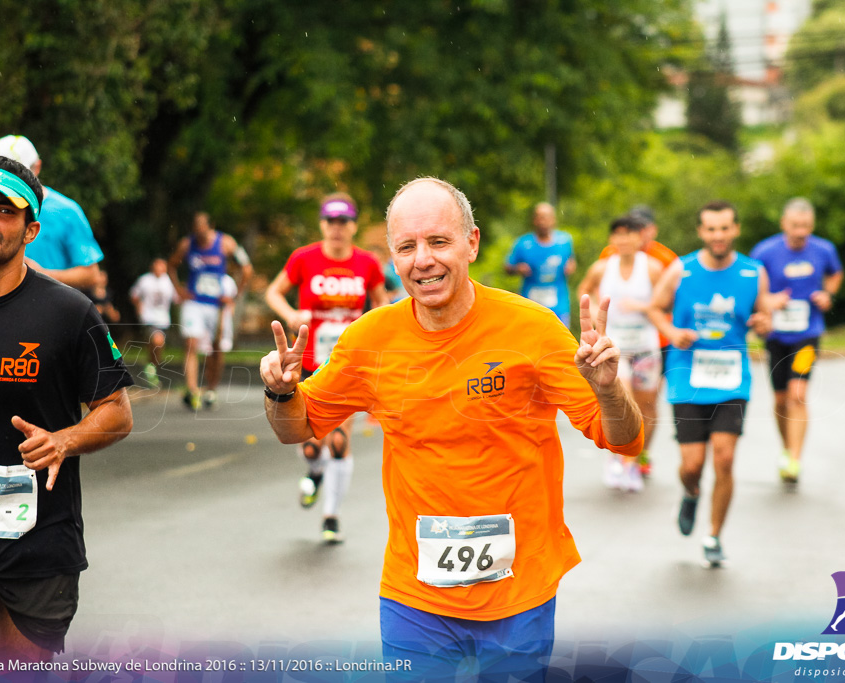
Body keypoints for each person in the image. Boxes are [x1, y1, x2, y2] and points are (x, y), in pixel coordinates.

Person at [260, 178, 644, 681]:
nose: (423, 260)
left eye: (439, 241)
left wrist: (609, 390)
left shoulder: (533, 329)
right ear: (392, 259)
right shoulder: (368, 341)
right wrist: (282, 392)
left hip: (519, 590)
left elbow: (625, 439)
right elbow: (297, 428)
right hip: (414, 595)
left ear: (472, 242)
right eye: (407, 247)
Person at [0, 156, 133, 678]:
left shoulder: (69, 313)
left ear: (31, 231)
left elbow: (116, 411)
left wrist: (64, 441)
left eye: (5, 210)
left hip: (40, 533)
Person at [647, 200, 772, 568]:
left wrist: (764, 324)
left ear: (735, 230)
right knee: (692, 464)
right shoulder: (681, 270)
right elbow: (654, 308)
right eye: (711, 229)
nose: (718, 236)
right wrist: (672, 332)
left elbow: (764, 315)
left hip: (732, 377)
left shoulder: (753, 272)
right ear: (702, 232)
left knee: (725, 458)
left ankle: (714, 535)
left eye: (725, 228)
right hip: (687, 377)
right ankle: (690, 493)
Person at [264, 193, 388, 543]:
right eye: (331, 221)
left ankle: (331, 518)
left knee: (336, 441)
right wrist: (291, 315)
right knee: (310, 445)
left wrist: (370, 324)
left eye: (343, 222)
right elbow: (274, 292)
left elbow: (382, 303)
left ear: (353, 225)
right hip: (306, 365)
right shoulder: (304, 258)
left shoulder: (367, 263)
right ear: (322, 224)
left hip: (347, 365)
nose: (337, 228)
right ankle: (316, 473)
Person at [750, 198, 843, 484]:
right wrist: (768, 301)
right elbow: (751, 287)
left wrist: (828, 294)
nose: (800, 231)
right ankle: (787, 448)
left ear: (811, 225)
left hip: (807, 333)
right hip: (776, 335)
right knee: (780, 399)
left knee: (798, 394)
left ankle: (795, 460)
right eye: (795, 225)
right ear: (784, 224)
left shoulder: (824, 249)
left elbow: (835, 273)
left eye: (805, 225)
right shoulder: (765, 251)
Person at [577, 214, 664, 492]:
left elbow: (668, 302)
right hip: (615, 347)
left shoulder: (653, 268)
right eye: (619, 234)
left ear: (641, 238)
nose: (624, 240)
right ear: (612, 239)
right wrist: (592, 314)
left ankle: (635, 459)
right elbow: (584, 291)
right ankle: (619, 461)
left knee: (647, 407)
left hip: (646, 346)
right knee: (621, 399)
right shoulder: (602, 268)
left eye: (630, 234)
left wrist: (641, 307)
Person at [598, 206, 677, 477]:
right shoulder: (609, 257)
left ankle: (642, 452)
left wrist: (647, 309)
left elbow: (675, 300)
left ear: (649, 231)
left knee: (648, 404)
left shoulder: (665, 259)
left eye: (639, 230)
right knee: (623, 394)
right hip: (619, 341)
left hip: (658, 341)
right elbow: (597, 286)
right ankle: (623, 455)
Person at [0, 135, 104, 290]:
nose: (9, 182)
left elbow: (92, 274)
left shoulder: (67, 211)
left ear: (37, 167)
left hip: (50, 309)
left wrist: (42, 275)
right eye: (0, 174)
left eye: (17, 174)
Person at [168, 211, 253, 411]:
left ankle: (211, 389)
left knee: (216, 348)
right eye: (195, 227)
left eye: (202, 227)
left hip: (217, 305)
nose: (199, 231)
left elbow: (247, 268)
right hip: (194, 303)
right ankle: (192, 390)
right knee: (191, 343)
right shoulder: (187, 244)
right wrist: (179, 290)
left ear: (211, 225)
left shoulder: (226, 243)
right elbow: (171, 266)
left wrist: (235, 296)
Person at [504, 202, 576, 326]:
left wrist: (571, 267)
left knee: (560, 342)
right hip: (531, 302)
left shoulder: (565, 241)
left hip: (558, 303)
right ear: (534, 220)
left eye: (547, 217)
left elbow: (571, 260)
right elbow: (507, 267)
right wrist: (518, 269)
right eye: (540, 217)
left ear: (553, 219)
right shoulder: (523, 243)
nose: (543, 221)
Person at [129, 258, 177, 388]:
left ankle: (151, 366)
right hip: (149, 318)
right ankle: (151, 367)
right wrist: (139, 308)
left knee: (157, 345)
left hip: (163, 320)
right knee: (157, 341)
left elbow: (177, 298)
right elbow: (134, 295)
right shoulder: (145, 280)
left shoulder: (168, 282)